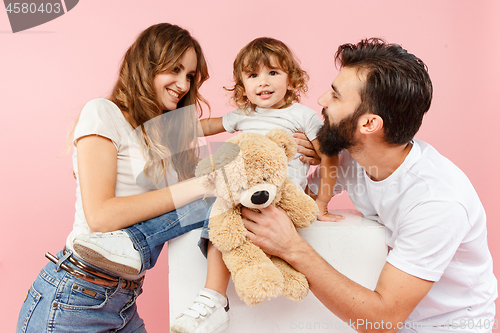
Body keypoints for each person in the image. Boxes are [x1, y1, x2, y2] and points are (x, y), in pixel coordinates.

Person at [242, 38, 498, 332]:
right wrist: (297, 164)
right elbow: (303, 198)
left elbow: (383, 320)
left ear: (368, 125)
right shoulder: (354, 157)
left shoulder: (437, 202)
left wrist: (292, 249)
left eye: (336, 97)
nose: (322, 100)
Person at [16, 23, 220, 333]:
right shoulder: (102, 113)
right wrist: (198, 186)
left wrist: (273, 123)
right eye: (174, 70)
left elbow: (202, 129)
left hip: (123, 301)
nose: (183, 84)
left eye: (190, 76)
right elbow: (100, 216)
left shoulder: (158, 134)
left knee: (219, 198)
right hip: (75, 297)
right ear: (146, 65)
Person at [169, 37, 343, 333]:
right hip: (240, 195)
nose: (263, 82)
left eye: (273, 73)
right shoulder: (243, 115)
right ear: (242, 85)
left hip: (281, 195)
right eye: (253, 75)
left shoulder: (302, 116)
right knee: (219, 218)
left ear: (292, 80)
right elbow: (207, 125)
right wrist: (171, 125)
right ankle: (213, 296)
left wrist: (321, 202)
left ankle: (278, 278)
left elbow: (328, 157)